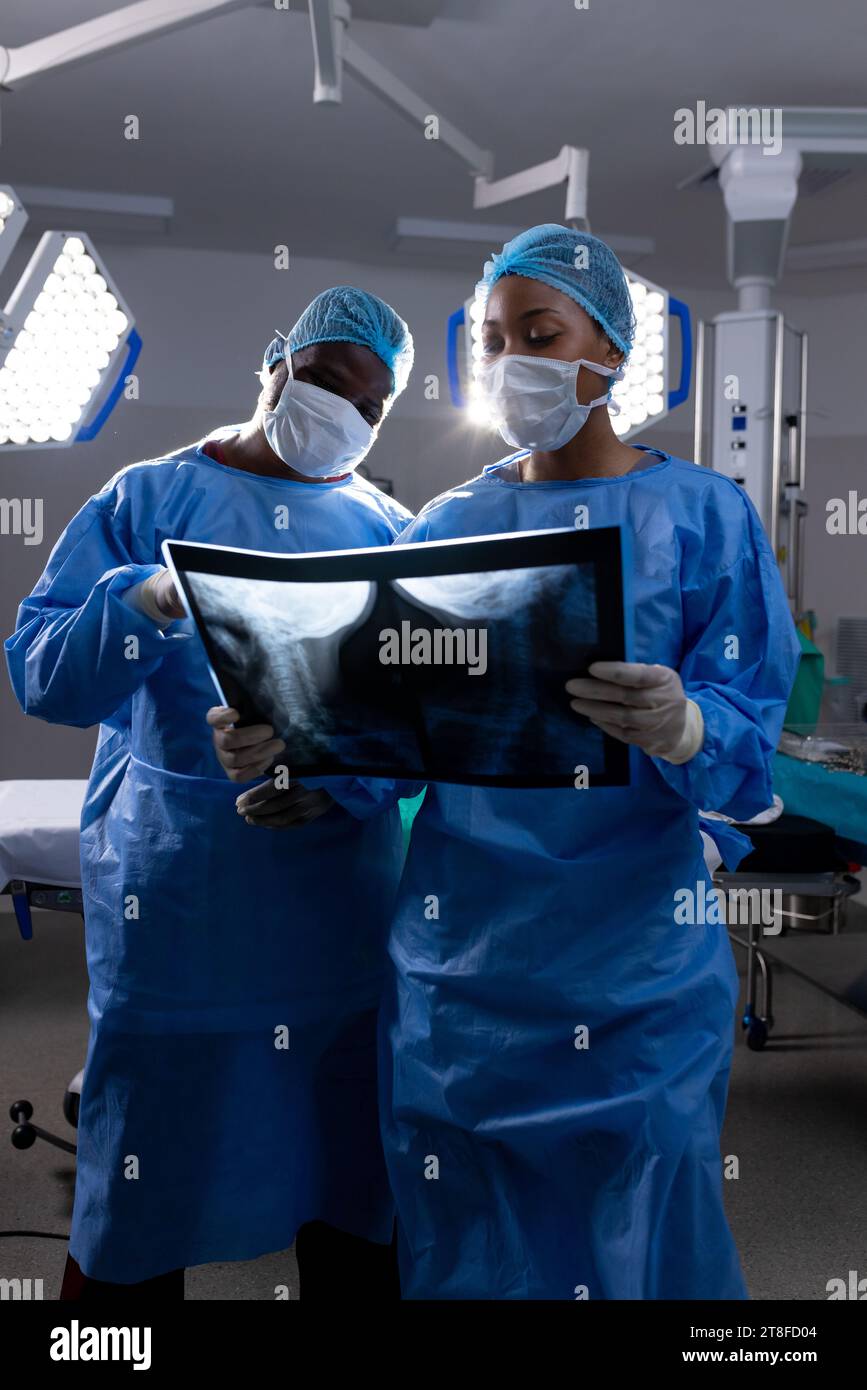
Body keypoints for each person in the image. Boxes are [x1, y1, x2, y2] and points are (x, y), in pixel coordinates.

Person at [211, 226, 801, 1300]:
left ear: (613, 351)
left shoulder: (704, 516)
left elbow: (751, 742)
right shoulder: (452, 524)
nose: (513, 360)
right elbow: (394, 731)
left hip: (635, 977)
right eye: (495, 340)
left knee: (646, 1237)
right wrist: (302, 754)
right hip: (462, 974)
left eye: (542, 333)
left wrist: (691, 730)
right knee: (470, 1239)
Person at [5, 285, 413, 1299]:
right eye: (325, 381)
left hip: (339, 929)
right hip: (177, 915)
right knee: (140, 1196)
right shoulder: (145, 499)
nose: (344, 413)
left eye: (372, 404)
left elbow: (422, 725)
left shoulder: (392, 527)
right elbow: (44, 676)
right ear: (274, 364)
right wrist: (136, 600)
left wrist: (338, 780)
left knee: (352, 1193)